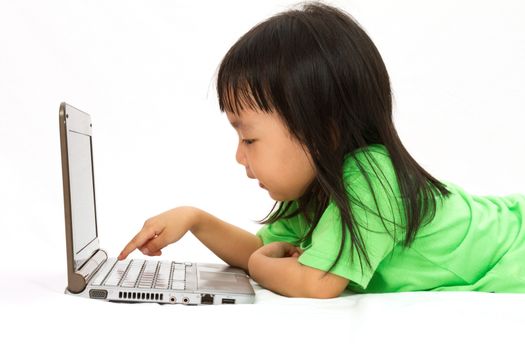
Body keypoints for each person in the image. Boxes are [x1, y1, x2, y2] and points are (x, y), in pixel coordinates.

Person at [118, 2, 525, 297]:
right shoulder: (316, 190)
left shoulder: (371, 175)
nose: (239, 156)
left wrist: (261, 267)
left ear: (323, 130)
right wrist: (195, 221)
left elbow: (315, 281)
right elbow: (266, 251)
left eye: (249, 139)